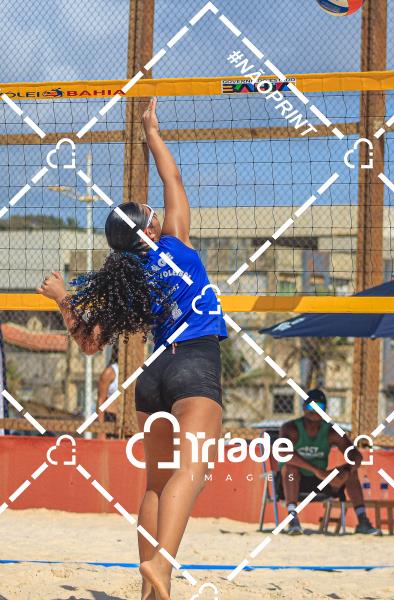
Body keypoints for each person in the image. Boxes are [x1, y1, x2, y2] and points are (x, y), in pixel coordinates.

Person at [37, 97, 226, 600]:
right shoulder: (177, 242)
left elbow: (89, 342)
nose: (158, 212)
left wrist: (62, 299)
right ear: (150, 228)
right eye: (151, 213)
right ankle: (160, 568)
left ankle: (149, 589)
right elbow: (174, 180)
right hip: (195, 363)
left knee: (156, 484)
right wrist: (151, 132)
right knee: (192, 471)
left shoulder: (127, 281)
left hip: (152, 377)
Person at [278, 389, 380, 535]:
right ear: (304, 408)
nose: (314, 410)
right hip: (293, 481)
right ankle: (292, 519)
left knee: (351, 472)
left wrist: (346, 469)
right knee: (290, 468)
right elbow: (283, 452)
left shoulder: (331, 431)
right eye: (310, 406)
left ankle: (362, 520)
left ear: (325, 410)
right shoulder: (291, 428)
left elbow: (356, 456)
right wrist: (317, 471)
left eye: (319, 406)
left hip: (321, 481)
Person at [95, 344, 119, 438]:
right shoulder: (110, 372)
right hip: (110, 417)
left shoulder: (135, 371)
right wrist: (101, 430)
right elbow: (101, 400)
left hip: (128, 418)